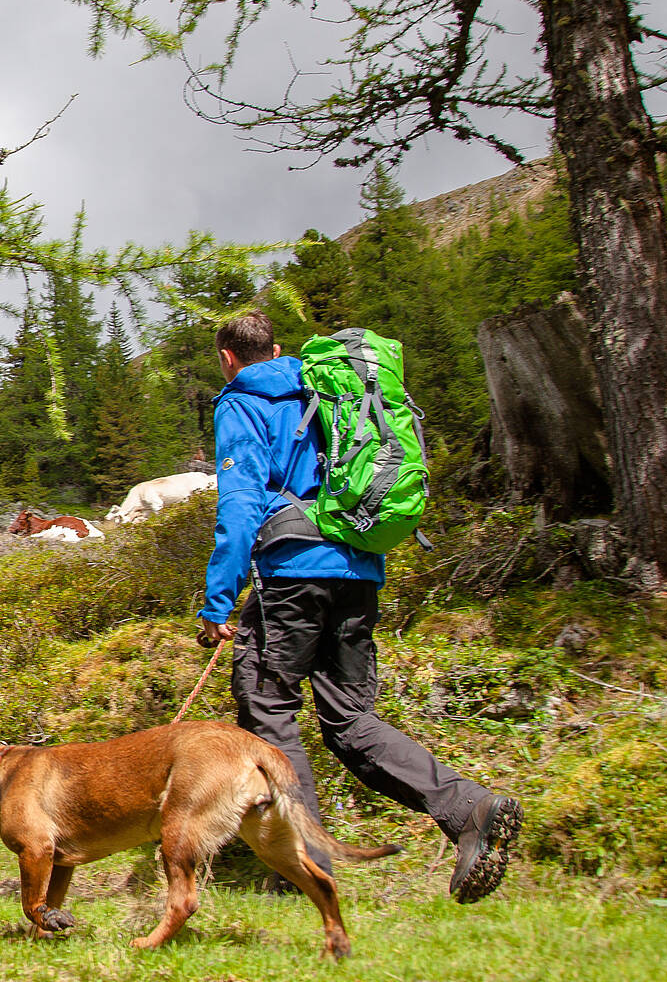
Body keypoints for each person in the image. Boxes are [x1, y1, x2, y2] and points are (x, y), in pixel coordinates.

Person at [198, 309, 520, 903]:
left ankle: (302, 865)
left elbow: (241, 504)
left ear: (228, 357)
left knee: (268, 713)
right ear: (278, 349)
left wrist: (218, 600)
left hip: (293, 573)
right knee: (349, 720)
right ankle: (469, 807)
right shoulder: (327, 383)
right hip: (359, 567)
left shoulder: (240, 402)